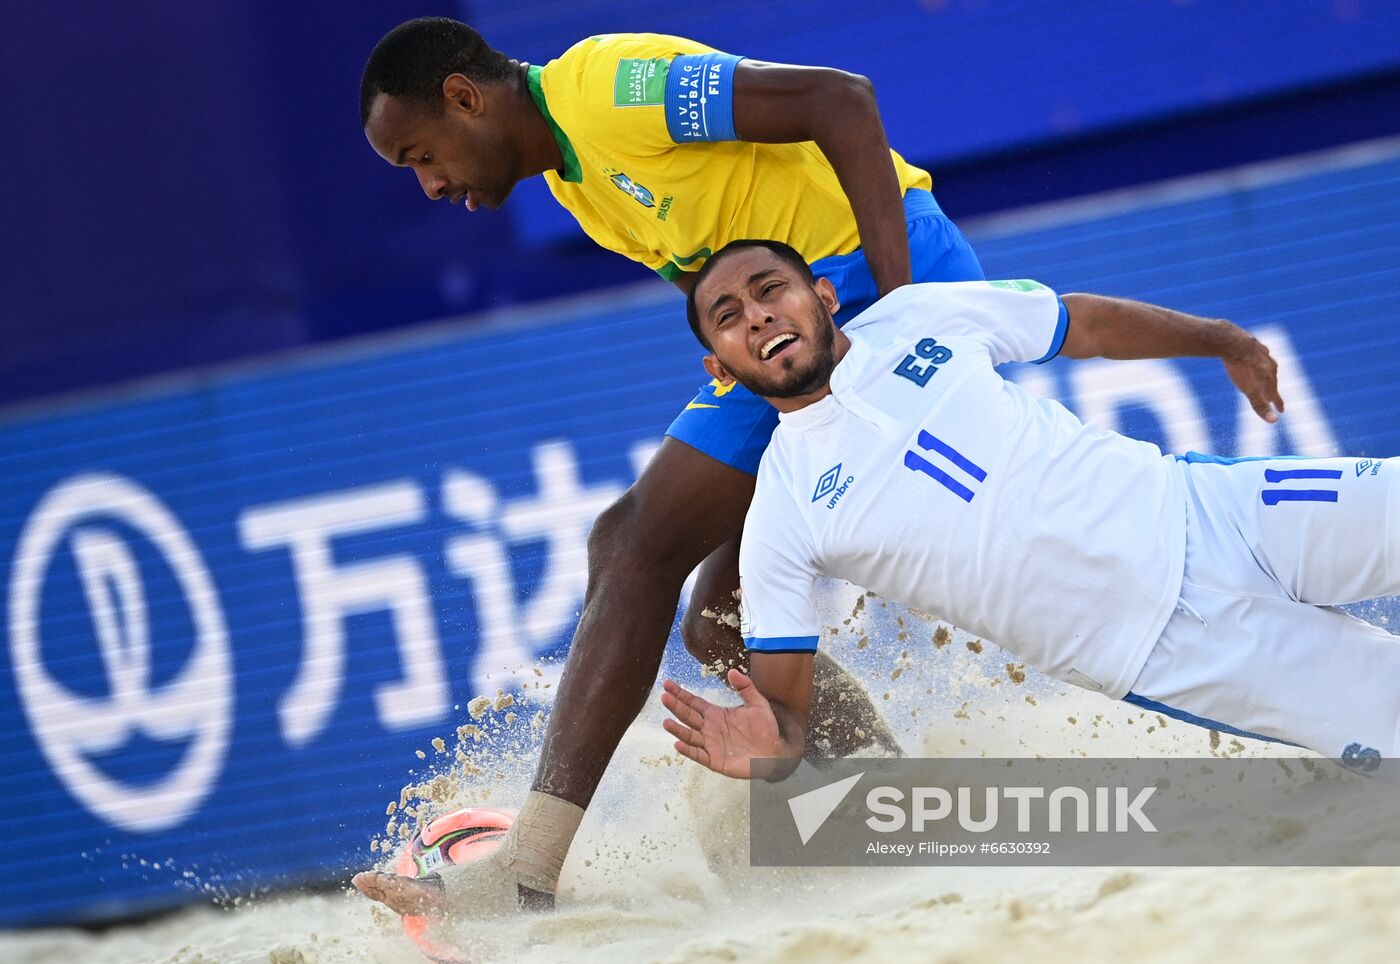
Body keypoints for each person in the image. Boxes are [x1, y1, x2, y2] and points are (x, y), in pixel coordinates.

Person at [355, 18, 985, 913]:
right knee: (723, 625)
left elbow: (841, 98)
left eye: (422, 154)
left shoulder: (614, 88)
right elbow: (717, 251)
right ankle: (903, 811)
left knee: (631, 544)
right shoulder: (575, 183)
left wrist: (910, 300)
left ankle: (526, 872)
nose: (428, 185)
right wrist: (725, 335)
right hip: (797, 320)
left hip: (879, 284)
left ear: (466, 98)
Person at [661, 238, 1400, 782]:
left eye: (771, 290)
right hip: (1166, 655)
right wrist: (772, 750)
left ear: (822, 295)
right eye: (730, 316)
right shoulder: (782, 513)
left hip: (1213, 511)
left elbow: (1082, 324)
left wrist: (1222, 340)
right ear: (719, 367)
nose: (758, 316)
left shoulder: (918, 316)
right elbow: (788, 715)